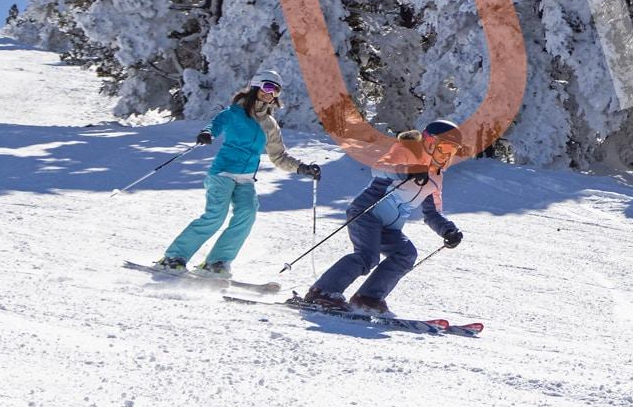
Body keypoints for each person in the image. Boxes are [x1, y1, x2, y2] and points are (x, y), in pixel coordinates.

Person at [157, 70, 321, 276]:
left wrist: (301, 168)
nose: (270, 94)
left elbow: (279, 156)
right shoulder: (234, 113)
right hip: (223, 173)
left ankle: (216, 262)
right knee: (215, 216)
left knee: (247, 214)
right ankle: (174, 257)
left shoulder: (270, 125)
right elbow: (216, 124)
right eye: (267, 88)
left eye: (275, 91)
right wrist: (207, 133)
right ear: (256, 87)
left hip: (245, 179)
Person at [304, 119, 466, 315]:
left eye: (452, 151)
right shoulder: (407, 150)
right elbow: (379, 168)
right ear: (430, 142)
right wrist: (407, 170)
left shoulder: (435, 177)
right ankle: (322, 292)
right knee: (367, 256)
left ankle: (368, 298)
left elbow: (431, 213)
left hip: (390, 227)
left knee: (406, 254)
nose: (447, 155)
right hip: (366, 213)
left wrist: (447, 230)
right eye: (444, 148)